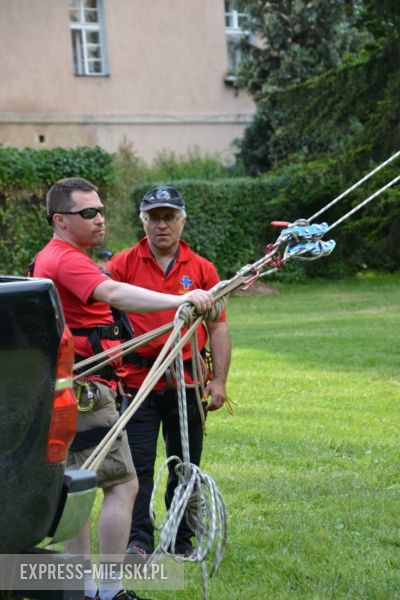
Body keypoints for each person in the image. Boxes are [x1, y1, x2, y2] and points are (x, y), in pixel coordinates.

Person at [32, 178, 214, 600]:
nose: (99, 219)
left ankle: (83, 587)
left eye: (100, 210)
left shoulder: (56, 255)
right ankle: (110, 590)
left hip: (74, 388)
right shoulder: (66, 258)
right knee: (122, 485)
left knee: (76, 484)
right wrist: (180, 302)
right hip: (89, 392)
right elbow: (113, 292)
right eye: (88, 213)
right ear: (61, 220)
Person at [107, 185, 231, 557]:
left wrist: (219, 379)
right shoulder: (122, 265)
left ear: (182, 221)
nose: (162, 225)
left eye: (169, 217)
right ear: (143, 221)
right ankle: (138, 541)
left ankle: (179, 539)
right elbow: (105, 319)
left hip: (187, 381)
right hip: (135, 382)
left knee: (186, 464)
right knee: (137, 468)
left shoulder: (202, 269)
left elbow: (219, 326)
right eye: (154, 218)